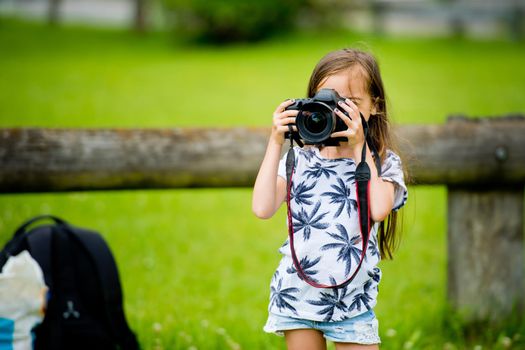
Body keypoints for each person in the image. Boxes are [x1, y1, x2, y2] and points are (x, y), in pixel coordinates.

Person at [252, 48, 408, 350]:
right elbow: (261, 207)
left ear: (374, 106)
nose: (337, 113)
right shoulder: (301, 159)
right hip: (298, 297)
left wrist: (361, 148)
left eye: (350, 104)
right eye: (328, 101)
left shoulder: (383, 163)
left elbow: (378, 209)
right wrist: (275, 141)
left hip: (353, 303)